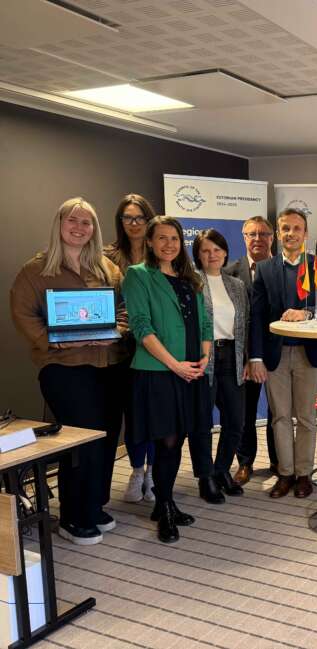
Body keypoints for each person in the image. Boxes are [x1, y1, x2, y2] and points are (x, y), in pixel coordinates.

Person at [11, 197, 128, 545]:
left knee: (107, 437)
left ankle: (94, 505)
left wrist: (116, 331)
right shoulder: (35, 270)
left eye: (86, 222)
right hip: (65, 368)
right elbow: (23, 315)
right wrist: (55, 340)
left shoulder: (107, 268)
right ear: (59, 225)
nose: (79, 228)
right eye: (72, 221)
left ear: (94, 229)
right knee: (81, 442)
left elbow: (125, 309)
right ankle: (73, 516)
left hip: (108, 365)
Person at [123, 216, 213, 543]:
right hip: (160, 373)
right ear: (149, 242)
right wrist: (176, 365)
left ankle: (165, 502)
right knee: (167, 441)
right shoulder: (138, 276)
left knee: (181, 437)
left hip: (191, 372)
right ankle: (164, 508)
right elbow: (141, 327)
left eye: (174, 238)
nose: (169, 244)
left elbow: (204, 324)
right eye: (161, 238)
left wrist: (205, 357)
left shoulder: (191, 279)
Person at [249, 208, 317, 499]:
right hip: (276, 355)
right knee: (280, 417)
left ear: (305, 233)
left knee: (306, 417)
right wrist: (255, 357)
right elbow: (256, 316)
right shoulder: (265, 269)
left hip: (310, 353)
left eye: (297, 228)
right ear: (278, 233)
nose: (291, 233)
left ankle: (304, 474)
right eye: (285, 228)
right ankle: (285, 474)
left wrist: (307, 312)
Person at [104, 193, 158, 504]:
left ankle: (152, 473)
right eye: (128, 217)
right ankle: (137, 470)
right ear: (120, 221)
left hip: (156, 347)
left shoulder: (162, 253)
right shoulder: (106, 257)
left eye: (140, 217)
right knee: (134, 415)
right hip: (121, 349)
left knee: (154, 415)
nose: (134, 223)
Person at [193, 229, 249, 498]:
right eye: (205, 250)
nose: (212, 255)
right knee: (202, 423)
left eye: (216, 249)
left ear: (225, 252)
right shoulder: (191, 282)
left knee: (235, 421)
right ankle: (205, 478)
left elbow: (245, 324)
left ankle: (222, 470)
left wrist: (247, 359)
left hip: (232, 357)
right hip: (203, 359)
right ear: (197, 255)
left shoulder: (236, 285)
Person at [227, 215, 278, 485]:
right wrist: (248, 356)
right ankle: (245, 463)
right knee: (245, 412)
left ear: (272, 238)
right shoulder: (229, 273)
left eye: (263, 234)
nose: (258, 239)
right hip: (244, 356)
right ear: (244, 237)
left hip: (279, 353)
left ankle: (279, 461)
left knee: (278, 412)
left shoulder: (283, 269)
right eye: (252, 234)